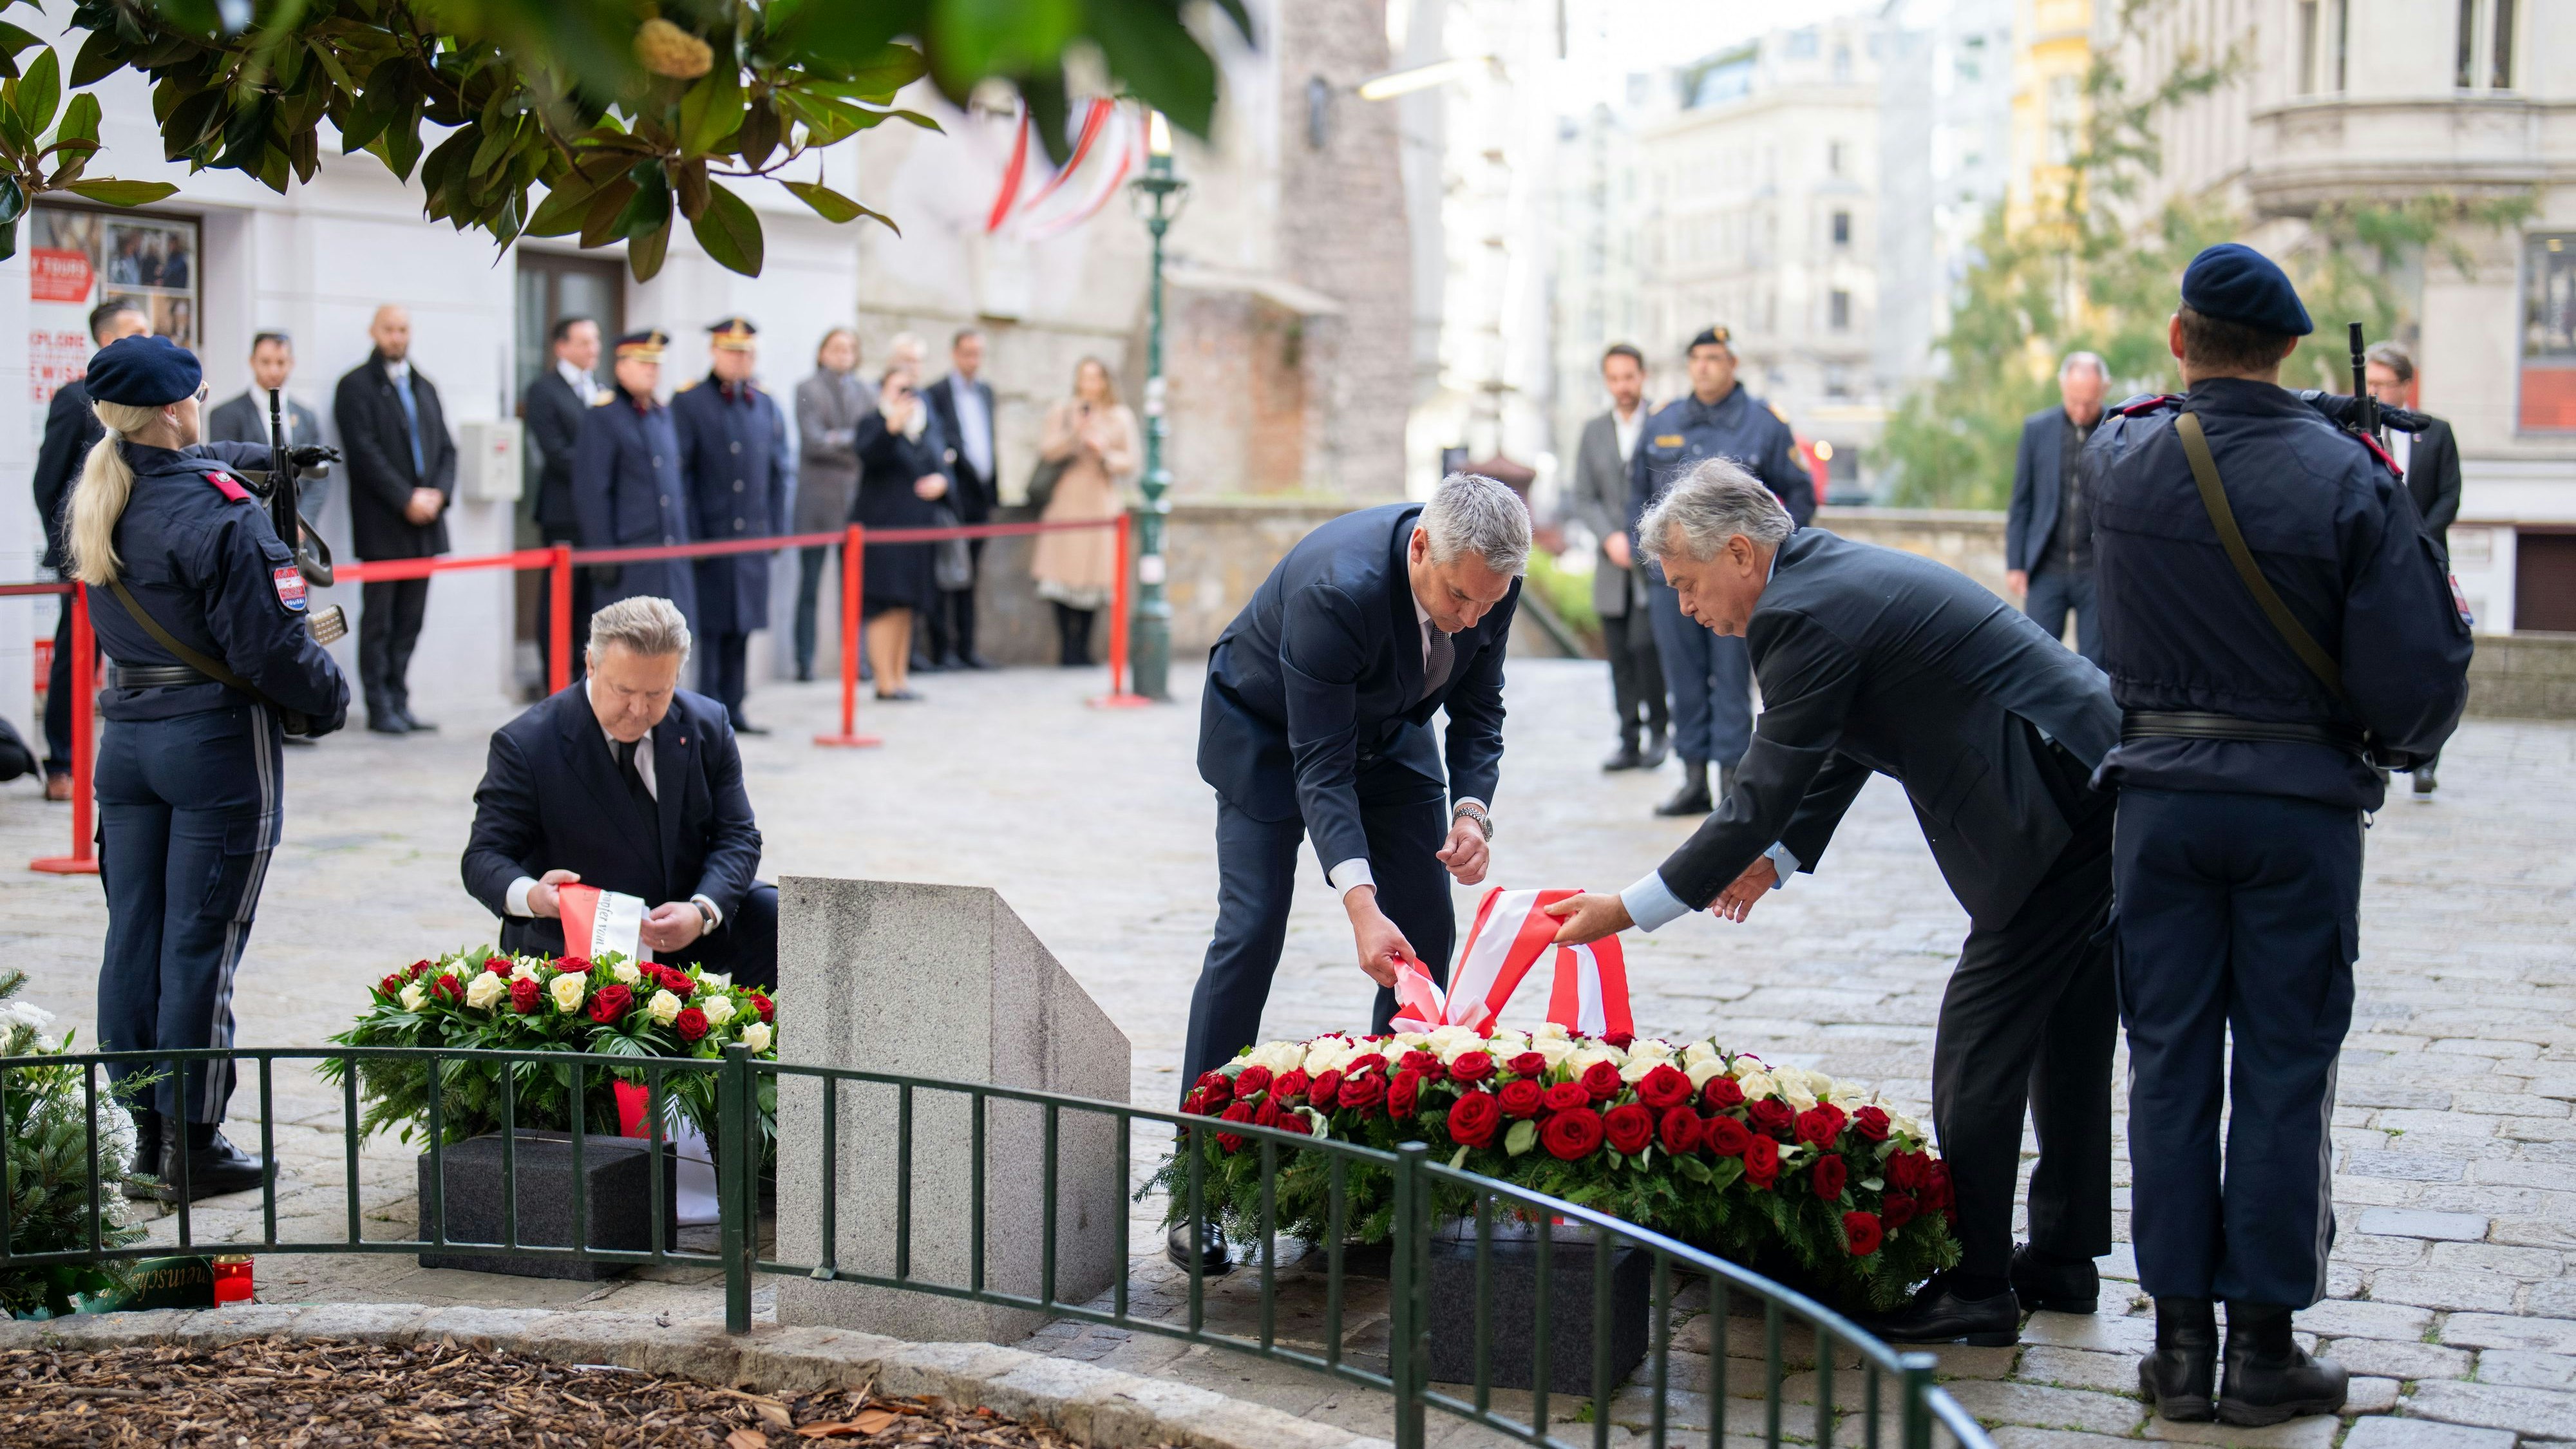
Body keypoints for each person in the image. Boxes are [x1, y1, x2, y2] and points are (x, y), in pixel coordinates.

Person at [1548, 459, 2122, 1349]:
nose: (1688, 607)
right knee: (2069, 1023)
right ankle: (2061, 1258)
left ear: (1741, 552)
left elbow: (1759, 789)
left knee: (1978, 1043)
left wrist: (1630, 907)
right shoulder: (1824, 576)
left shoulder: (1798, 612)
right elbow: (1848, 735)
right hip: (2084, 778)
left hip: (2048, 802)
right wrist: (1776, 857)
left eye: (1690, 585)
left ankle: (1977, 1286)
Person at [2090, 245, 2470, 1426]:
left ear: (2176, 336)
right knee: (2285, 1066)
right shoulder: (2352, 474)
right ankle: (2262, 1348)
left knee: (2167, 1067)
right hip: (2298, 807)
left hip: (2158, 802)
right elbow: (2419, 673)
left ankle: (2178, 1349)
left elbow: (2182, 436)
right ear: (2295, 348)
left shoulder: (2121, 455)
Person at [1179, 473, 1526, 1271]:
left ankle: (1387, 1178)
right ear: (1419, 549)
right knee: (1253, 926)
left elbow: (1481, 709)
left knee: (1426, 936)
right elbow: (1320, 766)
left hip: (1390, 729)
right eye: (1457, 598)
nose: (1471, 616)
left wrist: (1472, 811)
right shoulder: (1337, 590)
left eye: (1485, 603)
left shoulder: (1489, 580)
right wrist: (1360, 903)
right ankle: (1197, 1183)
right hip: (1269, 732)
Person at [66, 334, 349, 1200]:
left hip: (130, 743)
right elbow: (273, 650)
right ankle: (196, 1145)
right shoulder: (224, 518)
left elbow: (201, 460)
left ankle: (144, 1134)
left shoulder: (99, 486)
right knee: (201, 945)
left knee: (136, 935)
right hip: (214, 744)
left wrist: (269, 460)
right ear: (173, 410)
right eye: (196, 396)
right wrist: (331, 697)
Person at [461, 596, 775, 988]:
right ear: (591, 664)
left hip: (683, 922)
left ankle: (750, 1044)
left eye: (658, 693)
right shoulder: (527, 743)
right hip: (575, 938)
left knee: (775, 916)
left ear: (678, 676)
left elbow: (738, 835)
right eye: (624, 690)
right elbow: (483, 857)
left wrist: (702, 911)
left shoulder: (707, 725)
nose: (638, 709)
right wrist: (537, 897)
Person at [1627, 325, 1814, 817]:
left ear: (1733, 364)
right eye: (1697, 358)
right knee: (1683, 677)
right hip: (1676, 583)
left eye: (1715, 357)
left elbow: (1798, 497)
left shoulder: (1764, 423)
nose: (1705, 366)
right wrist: (1648, 566)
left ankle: (1732, 778)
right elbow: (1637, 498)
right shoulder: (1662, 420)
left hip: (1736, 582)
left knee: (1732, 678)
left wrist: (1777, 565)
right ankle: (1693, 779)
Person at [34, 299, 151, 799]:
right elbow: (49, 485)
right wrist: (77, 547)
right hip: (90, 559)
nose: (150, 340)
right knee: (75, 657)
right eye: (137, 332)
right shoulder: (75, 399)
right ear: (109, 341)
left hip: (143, 556)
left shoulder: (152, 401)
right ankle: (62, 761)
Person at [332, 303, 457, 735]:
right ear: (374, 331)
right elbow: (364, 454)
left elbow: (447, 448)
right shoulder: (355, 386)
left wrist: (438, 496)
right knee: (380, 621)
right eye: (389, 329)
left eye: (403, 329)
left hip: (425, 524)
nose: (397, 337)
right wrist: (405, 498)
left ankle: (400, 699)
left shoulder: (425, 386)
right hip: (384, 524)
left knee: (411, 621)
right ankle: (379, 704)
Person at [672, 317, 791, 735]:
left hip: (752, 536)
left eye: (748, 353)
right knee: (711, 627)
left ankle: (735, 707)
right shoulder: (690, 402)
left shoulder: (764, 402)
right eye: (733, 352)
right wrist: (693, 535)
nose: (741, 360)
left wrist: (777, 528)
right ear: (715, 352)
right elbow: (682, 475)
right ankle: (707, 710)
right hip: (712, 534)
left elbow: (779, 472)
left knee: (742, 626)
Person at [2365, 341, 2462, 798]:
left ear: (2406, 385)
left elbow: (2449, 495)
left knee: (2429, 654)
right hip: (2372, 563)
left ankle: (2426, 761)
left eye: (2385, 384)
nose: (2377, 392)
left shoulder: (2436, 432)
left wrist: (2418, 539)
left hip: (2423, 562)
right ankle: (2378, 753)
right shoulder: (2351, 431)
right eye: (2370, 383)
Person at [1571, 343, 1668, 771]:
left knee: (1647, 645)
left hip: (1656, 562)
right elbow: (1584, 496)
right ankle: (1628, 737)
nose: (1622, 386)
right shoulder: (1593, 431)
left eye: (1629, 377)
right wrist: (1609, 536)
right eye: (1614, 378)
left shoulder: (1664, 423)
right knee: (1619, 655)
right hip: (1611, 564)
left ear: (1642, 376)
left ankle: (1660, 731)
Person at [574, 330, 697, 631]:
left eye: (655, 363)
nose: (651, 370)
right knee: (631, 651)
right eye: (643, 362)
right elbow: (592, 493)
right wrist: (603, 557)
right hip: (630, 559)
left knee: (670, 649)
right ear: (620, 366)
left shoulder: (662, 414)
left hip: (669, 559)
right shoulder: (605, 416)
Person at [1031, 358, 1139, 667]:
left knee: (1095, 576)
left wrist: (1103, 450)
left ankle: (1084, 648)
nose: (1089, 384)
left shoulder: (1120, 417)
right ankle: (1067, 648)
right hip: (1066, 502)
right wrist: (1075, 435)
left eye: (1096, 378)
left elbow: (1130, 461)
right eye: (1084, 378)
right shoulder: (1063, 411)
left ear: (1106, 381)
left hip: (1100, 502)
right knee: (1062, 575)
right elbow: (1047, 451)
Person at [2006, 353, 2110, 661]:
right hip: (2046, 569)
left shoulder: (2118, 428)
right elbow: (2021, 500)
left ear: (2105, 388)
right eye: (2074, 400)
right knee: (2038, 660)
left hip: (2097, 571)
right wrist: (2016, 563)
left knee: (2097, 665)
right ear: (2062, 385)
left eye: (2089, 403)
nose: (2080, 411)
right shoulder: (2036, 429)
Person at [523, 315, 609, 684]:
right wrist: (604, 468)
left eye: (596, 340)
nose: (594, 349)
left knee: (592, 603)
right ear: (562, 347)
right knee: (561, 600)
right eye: (585, 342)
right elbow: (556, 453)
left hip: (598, 515)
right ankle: (555, 678)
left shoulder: (601, 390)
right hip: (563, 512)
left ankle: (586, 675)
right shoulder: (545, 390)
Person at [792, 328, 866, 682]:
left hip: (852, 502)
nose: (843, 354)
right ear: (822, 352)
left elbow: (868, 439)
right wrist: (847, 442)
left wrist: (841, 439)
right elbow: (815, 442)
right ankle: (804, 661)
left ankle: (855, 661)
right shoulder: (808, 389)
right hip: (816, 504)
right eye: (837, 348)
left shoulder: (865, 391)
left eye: (850, 348)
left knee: (852, 588)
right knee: (810, 585)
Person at [923, 327, 998, 670]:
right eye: (967, 353)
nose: (973, 360)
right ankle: (943, 649)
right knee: (947, 573)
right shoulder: (936, 393)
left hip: (981, 497)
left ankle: (968, 646)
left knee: (971, 576)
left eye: (978, 353)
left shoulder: (986, 392)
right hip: (954, 497)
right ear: (955, 354)